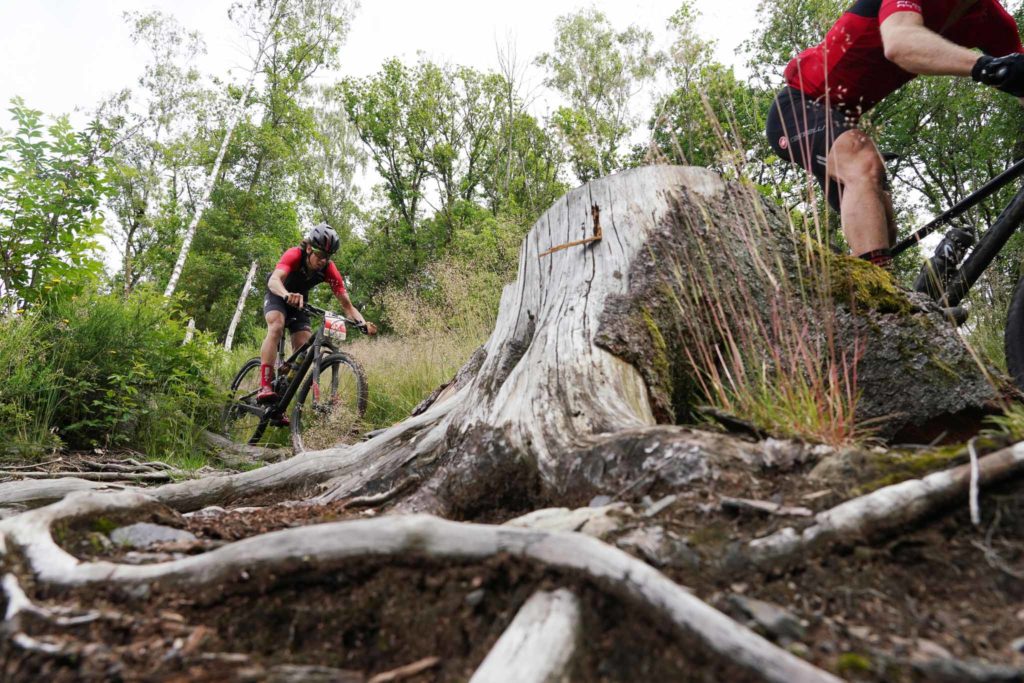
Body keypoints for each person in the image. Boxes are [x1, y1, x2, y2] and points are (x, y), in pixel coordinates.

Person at [766, 0, 1024, 271]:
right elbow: (900, 43)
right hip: (796, 108)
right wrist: (988, 67)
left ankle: (866, 293)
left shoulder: (994, 21)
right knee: (862, 159)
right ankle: (880, 297)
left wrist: (1006, 73)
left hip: (841, 122)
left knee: (884, 231)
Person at [258, 223, 377, 402]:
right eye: (320, 254)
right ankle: (265, 385)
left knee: (303, 351)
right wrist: (286, 294)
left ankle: (281, 398)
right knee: (277, 326)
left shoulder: (329, 269)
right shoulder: (294, 255)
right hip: (278, 293)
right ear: (308, 248)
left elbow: (348, 306)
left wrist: (363, 323)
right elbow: (274, 280)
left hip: (300, 303)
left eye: (327, 256)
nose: (323, 260)